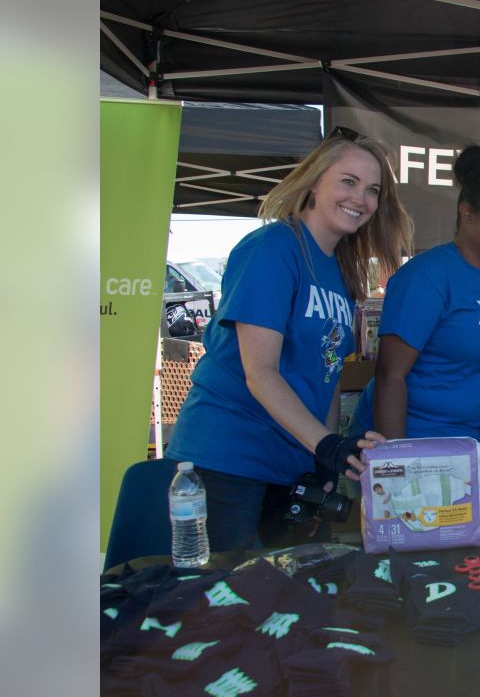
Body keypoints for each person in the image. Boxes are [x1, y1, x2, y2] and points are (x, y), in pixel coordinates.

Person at [166, 126, 413, 554]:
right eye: (348, 182)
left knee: (285, 600)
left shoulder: (341, 272)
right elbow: (258, 372)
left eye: (372, 190)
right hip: (229, 457)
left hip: (292, 463)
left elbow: (329, 375)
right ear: (315, 182)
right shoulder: (272, 249)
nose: (361, 199)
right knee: (229, 601)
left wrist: (323, 456)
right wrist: (326, 444)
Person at [348, 146, 480, 441]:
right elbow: (390, 376)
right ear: (467, 212)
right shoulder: (426, 276)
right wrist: (396, 461)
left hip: (469, 445)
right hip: (414, 441)